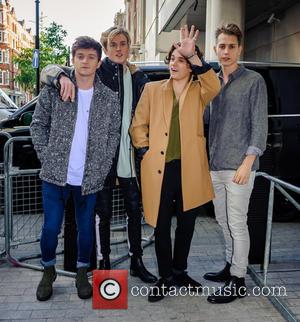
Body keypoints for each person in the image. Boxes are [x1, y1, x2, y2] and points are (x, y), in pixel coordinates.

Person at [40, 27, 157, 283]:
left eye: (123, 43)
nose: (118, 48)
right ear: (105, 48)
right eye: (113, 44)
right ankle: (103, 263)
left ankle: (136, 260)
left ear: (129, 46)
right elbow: (48, 70)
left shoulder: (137, 77)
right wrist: (60, 75)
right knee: (101, 214)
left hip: (128, 156)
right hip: (98, 161)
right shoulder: (95, 72)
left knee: (134, 210)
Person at [130, 25, 221, 302]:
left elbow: (215, 85)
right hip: (160, 169)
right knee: (160, 225)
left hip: (190, 169)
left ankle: (180, 271)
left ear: (190, 65)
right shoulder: (153, 88)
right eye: (171, 58)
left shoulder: (200, 90)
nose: (173, 62)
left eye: (179, 59)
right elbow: (138, 124)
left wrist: (192, 55)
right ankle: (165, 276)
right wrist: (144, 149)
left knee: (187, 224)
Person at [31, 36, 120, 301]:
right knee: (50, 228)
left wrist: (102, 168)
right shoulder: (56, 88)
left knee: (85, 230)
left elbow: (113, 135)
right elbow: (37, 125)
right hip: (54, 176)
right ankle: (48, 271)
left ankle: (83, 273)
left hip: (89, 178)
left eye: (90, 57)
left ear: (98, 62)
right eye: (80, 56)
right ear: (73, 59)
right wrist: (46, 157)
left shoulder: (108, 98)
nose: (85, 61)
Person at [203, 23, 268, 304]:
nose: (226, 51)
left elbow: (259, 125)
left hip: (240, 166)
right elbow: (205, 120)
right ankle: (230, 265)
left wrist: (248, 161)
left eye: (231, 46)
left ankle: (238, 280)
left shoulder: (253, 81)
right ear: (215, 49)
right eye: (221, 46)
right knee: (223, 220)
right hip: (215, 164)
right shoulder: (212, 81)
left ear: (239, 48)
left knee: (238, 224)